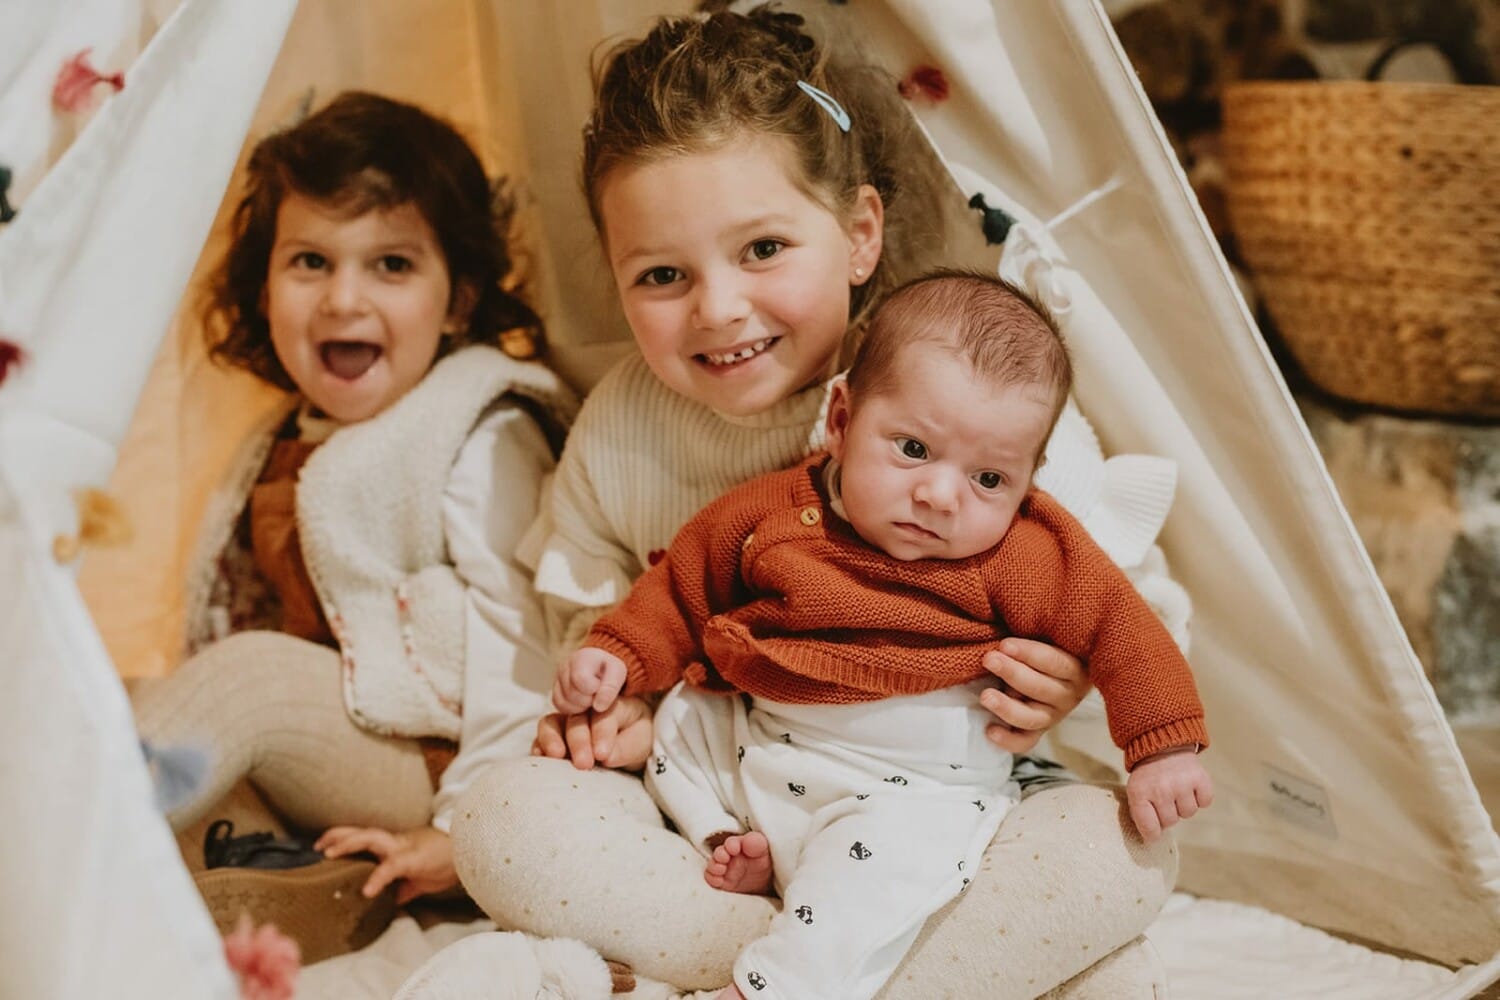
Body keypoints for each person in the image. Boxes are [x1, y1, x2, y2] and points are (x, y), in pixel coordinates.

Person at [449, 6, 1189, 996]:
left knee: (1119, 852)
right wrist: (613, 698)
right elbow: (596, 617)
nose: (717, 308)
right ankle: (806, 961)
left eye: (762, 250)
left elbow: (1128, 613)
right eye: (663, 275)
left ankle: (829, 962)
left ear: (858, 234)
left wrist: (1071, 686)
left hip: (935, 811)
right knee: (506, 819)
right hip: (728, 816)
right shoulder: (620, 433)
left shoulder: (970, 399)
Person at [553, 271, 1213, 1000]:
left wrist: (1164, 748)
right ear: (841, 419)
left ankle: (776, 981)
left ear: (1031, 480)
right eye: (912, 450)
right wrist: (615, 655)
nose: (940, 495)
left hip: (908, 792)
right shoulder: (770, 513)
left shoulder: (1027, 554)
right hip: (761, 750)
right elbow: (681, 589)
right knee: (683, 719)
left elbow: (1123, 627)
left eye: (990, 479)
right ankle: (733, 848)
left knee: (940, 858)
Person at [130, 91, 576, 922]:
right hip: (336, 749)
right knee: (115, 695)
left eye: (391, 265)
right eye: (310, 262)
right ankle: (283, 886)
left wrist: (464, 829)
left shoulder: (480, 427)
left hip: (436, 756)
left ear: (459, 301)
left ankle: (60, 845)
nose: (343, 299)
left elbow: (528, 651)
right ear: (263, 289)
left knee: (243, 683)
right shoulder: (289, 438)